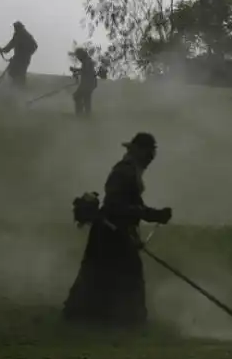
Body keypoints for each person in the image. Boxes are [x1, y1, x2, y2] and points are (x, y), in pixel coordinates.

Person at [63, 132, 173, 328]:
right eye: (148, 154)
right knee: (110, 274)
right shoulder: (124, 171)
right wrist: (153, 215)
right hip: (109, 231)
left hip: (115, 231)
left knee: (103, 274)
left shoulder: (133, 171)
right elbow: (116, 206)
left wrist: (150, 217)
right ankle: (127, 318)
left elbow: (132, 206)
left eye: (152, 155)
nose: (150, 159)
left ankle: (107, 316)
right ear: (138, 152)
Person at [0, 21, 38, 89]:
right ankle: (15, 88)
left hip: (24, 60)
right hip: (17, 59)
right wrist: (3, 50)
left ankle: (20, 90)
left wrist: (25, 54)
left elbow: (35, 46)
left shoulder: (26, 35)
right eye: (14, 27)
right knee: (12, 72)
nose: (15, 29)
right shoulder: (17, 35)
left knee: (20, 75)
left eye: (16, 27)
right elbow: (11, 44)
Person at [69, 48, 98, 118]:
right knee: (86, 99)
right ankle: (85, 115)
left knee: (78, 96)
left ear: (81, 55)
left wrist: (76, 71)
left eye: (78, 56)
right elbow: (85, 70)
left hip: (87, 84)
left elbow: (85, 71)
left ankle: (80, 114)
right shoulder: (87, 60)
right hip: (90, 83)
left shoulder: (86, 61)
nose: (78, 58)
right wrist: (76, 71)